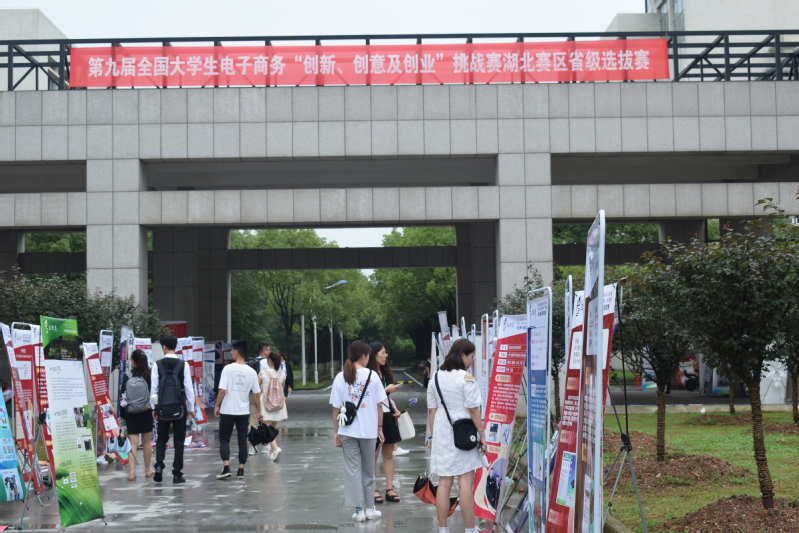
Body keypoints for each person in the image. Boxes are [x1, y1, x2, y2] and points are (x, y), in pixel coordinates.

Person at [426, 339, 486, 533]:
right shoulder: (466, 378)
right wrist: (482, 434)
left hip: (442, 433)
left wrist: (433, 437)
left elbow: (432, 410)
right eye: (471, 357)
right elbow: (473, 410)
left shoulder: (435, 377)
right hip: (463, 433)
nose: (471, 361)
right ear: (462, 355)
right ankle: (469, 529)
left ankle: (443, 529)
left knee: (444, 484)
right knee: (465, 484)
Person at [330, 341, 387, 523]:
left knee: (352, 471)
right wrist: (380, 428)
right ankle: (370, 509)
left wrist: (336, 432)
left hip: (347, 430)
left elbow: (336, 409)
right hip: (369, 431)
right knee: (369, 471)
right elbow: (379, 405)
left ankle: (359, 511)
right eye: (368, 355)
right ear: (363, 356)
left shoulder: (341, 376)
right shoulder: (373, 376)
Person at [152, 333, 195, 484]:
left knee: (161, 438)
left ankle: (159, 466)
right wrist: (191, 408)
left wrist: (154, 408)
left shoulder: (157, 365)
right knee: (178, 440)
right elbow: (189, 388)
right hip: (179, 408)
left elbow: (154, 389)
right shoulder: (184, 365)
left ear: (164, 347)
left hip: (162, 408)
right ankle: (177, 474)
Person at [215, 339, 261, 480]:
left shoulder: (228, 369)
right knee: (242, 439)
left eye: (232, 350)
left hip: (227, 410)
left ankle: (226, 467)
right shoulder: (251, 372)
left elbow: (222, 390)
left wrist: (217, 405)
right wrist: (259, 411)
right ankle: (241, 470)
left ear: (235, 352)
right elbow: (257, 394)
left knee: (224, 438)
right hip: (243, 411)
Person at [367, 342, 402, 505]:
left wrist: (394, 408)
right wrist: (386, 390)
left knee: (388, 454)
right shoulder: (368, 374)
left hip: (387, 415)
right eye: (383, 353)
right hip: (373, 416)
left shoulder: (385, 372)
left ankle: (389, 488)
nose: (385, 356)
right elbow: (369, 396)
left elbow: (387, 398)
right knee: (374, 454)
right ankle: (373, 489)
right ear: (373, 354)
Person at [120, 349, 155, 481]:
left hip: (131, 413)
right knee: (147, 442)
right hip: (146, 412)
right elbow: (153, 394)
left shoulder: (127, 376)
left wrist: (123, 416)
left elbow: (123, 398)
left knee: (133, 444)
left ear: (133, 361)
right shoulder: (149, 374)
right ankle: (147, 470)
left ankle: (132, 473)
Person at [259, 351, 286, 461]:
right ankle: (271, 452)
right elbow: (282, 389)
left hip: (265, 402)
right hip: (278, 403)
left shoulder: (262, 373)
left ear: (269, 360)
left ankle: (275, 448)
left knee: (266, 427)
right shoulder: (282, 374)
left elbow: (256, 389)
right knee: (273, 428)